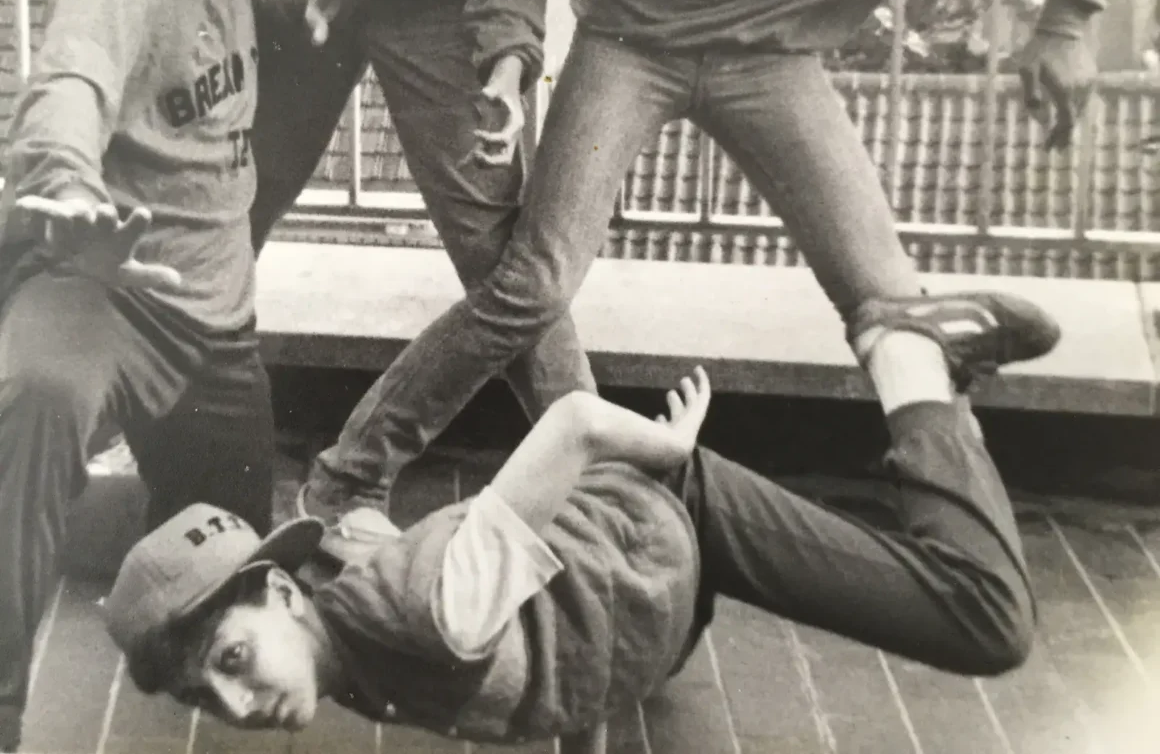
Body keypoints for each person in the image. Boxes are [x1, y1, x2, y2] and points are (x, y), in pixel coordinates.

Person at [295, 0, 1118, 534]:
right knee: (535, 281)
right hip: (631, 44)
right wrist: (508, 61)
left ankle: (965, 546)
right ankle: (347, 476)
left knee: (893, 303)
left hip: (771, 56)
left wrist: (1070, 16)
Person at [103, 287, 1060, 752]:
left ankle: (911, 363)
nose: (235, 707)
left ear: (278, 589)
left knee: (984, 619)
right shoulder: (335, 622)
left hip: (675, 515)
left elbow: (570, 422)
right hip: (639, 603)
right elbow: (373, 534)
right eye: (201, 695)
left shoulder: (432, 603)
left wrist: (667, 453)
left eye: (229, 659)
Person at [0, 0, 387, 748]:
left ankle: (87, 532)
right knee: (39, 403)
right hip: (104, 289)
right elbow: (68, 84)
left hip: (215, 323)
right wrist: (69, 186)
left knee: (237, 554)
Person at [243, 0, 595, 529]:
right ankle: (155, 415)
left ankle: (604, 488)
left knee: (509, 264)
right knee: (235, 199)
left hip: (437, 2)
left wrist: (509, 56)